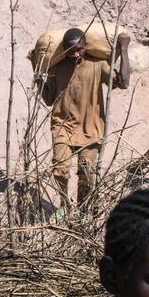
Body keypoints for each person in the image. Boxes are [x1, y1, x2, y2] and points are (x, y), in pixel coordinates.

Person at [39, 28, 129, 208]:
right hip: (62, 125)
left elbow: (123, 82)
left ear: (86, 47)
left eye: (79, 49)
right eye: (70, 50)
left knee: (87, 175)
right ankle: (65, 204)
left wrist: (124, 49)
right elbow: (49, 100)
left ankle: (83, 209)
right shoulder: (56, 68)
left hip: (91, 127)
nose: (75, 54)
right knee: (59, 170)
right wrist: (38, 79)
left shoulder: (98, 65)